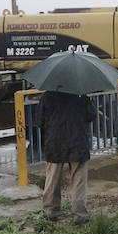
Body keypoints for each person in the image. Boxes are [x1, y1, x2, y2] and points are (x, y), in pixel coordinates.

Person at [35, 90, 96, 224]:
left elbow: (39, 121)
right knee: (79, 180)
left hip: (55, 143)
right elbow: (91, 116)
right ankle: (80, 214)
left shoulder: (47, 96)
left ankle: (50, 211)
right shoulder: (81, 95)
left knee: (52, 179)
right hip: (78, 142)